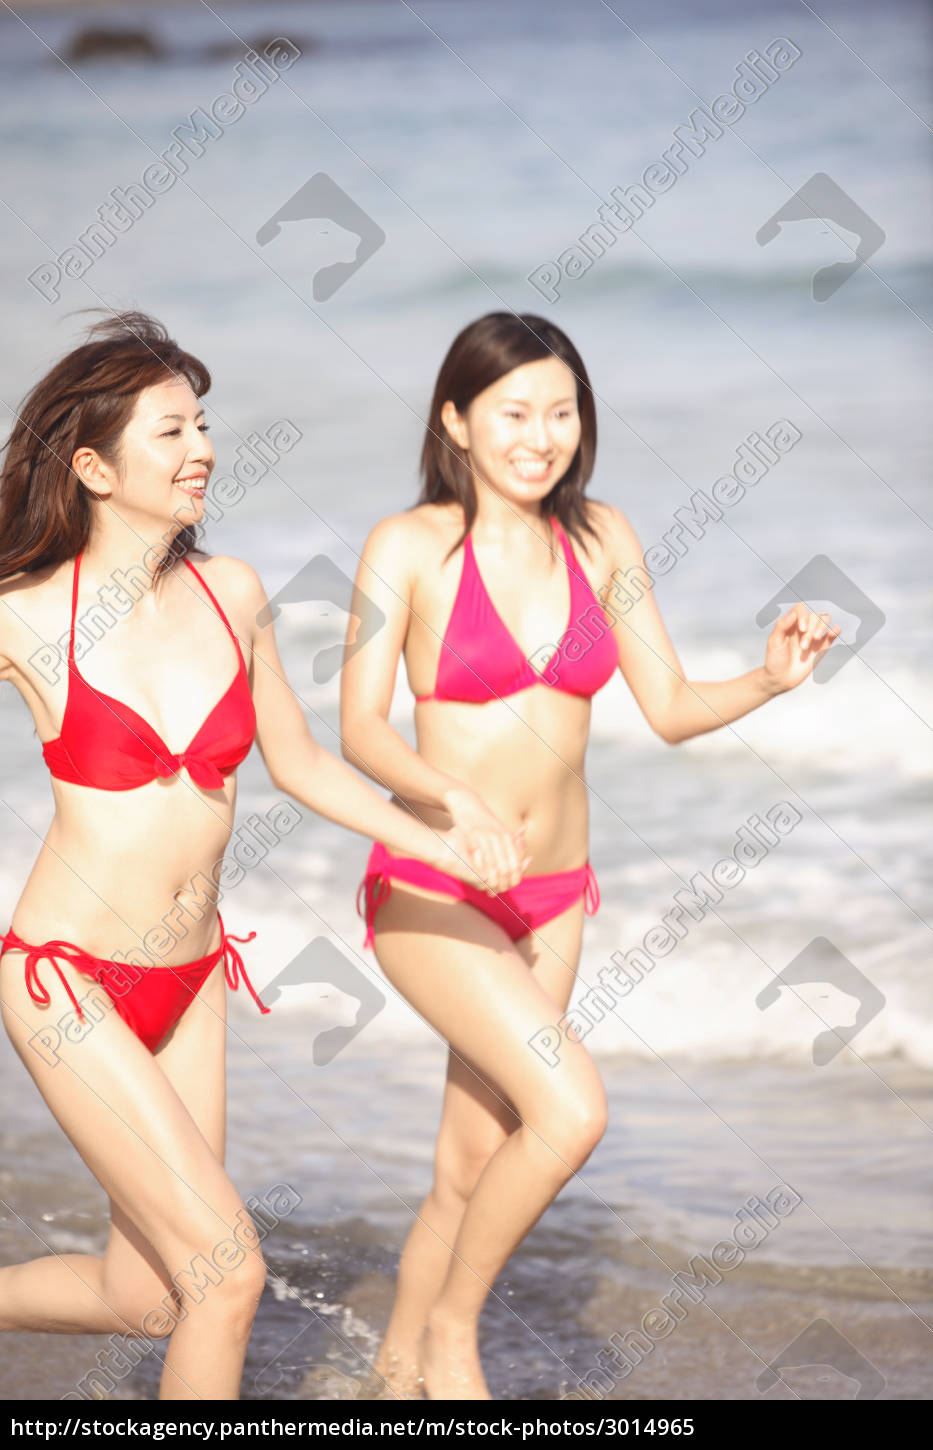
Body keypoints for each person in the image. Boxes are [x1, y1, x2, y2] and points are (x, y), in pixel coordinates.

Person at [0, 312, 521, 1402]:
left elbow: (304, 767)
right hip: (65, 977)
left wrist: (441, 840)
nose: (203, 449)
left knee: (148, 1296)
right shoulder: (28, 613)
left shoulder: (231, 593)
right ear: (93, 465)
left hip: (193, 984)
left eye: (203, 423)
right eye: (171, 431)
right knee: (228, 1274)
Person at [341, 311, 840, 1400]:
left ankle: (390, 1377)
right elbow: (360, 732)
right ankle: (453, 1340)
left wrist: (765, 680)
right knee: (572, 1110)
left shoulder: (603, 537)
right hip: (434, 881)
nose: (542, 434)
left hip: (556, 894)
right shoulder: (410, 545)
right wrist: (455, 795)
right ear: (456, 419)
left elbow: (664, 706)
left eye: (561, 411)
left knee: (469, 1166)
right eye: (514, 411)